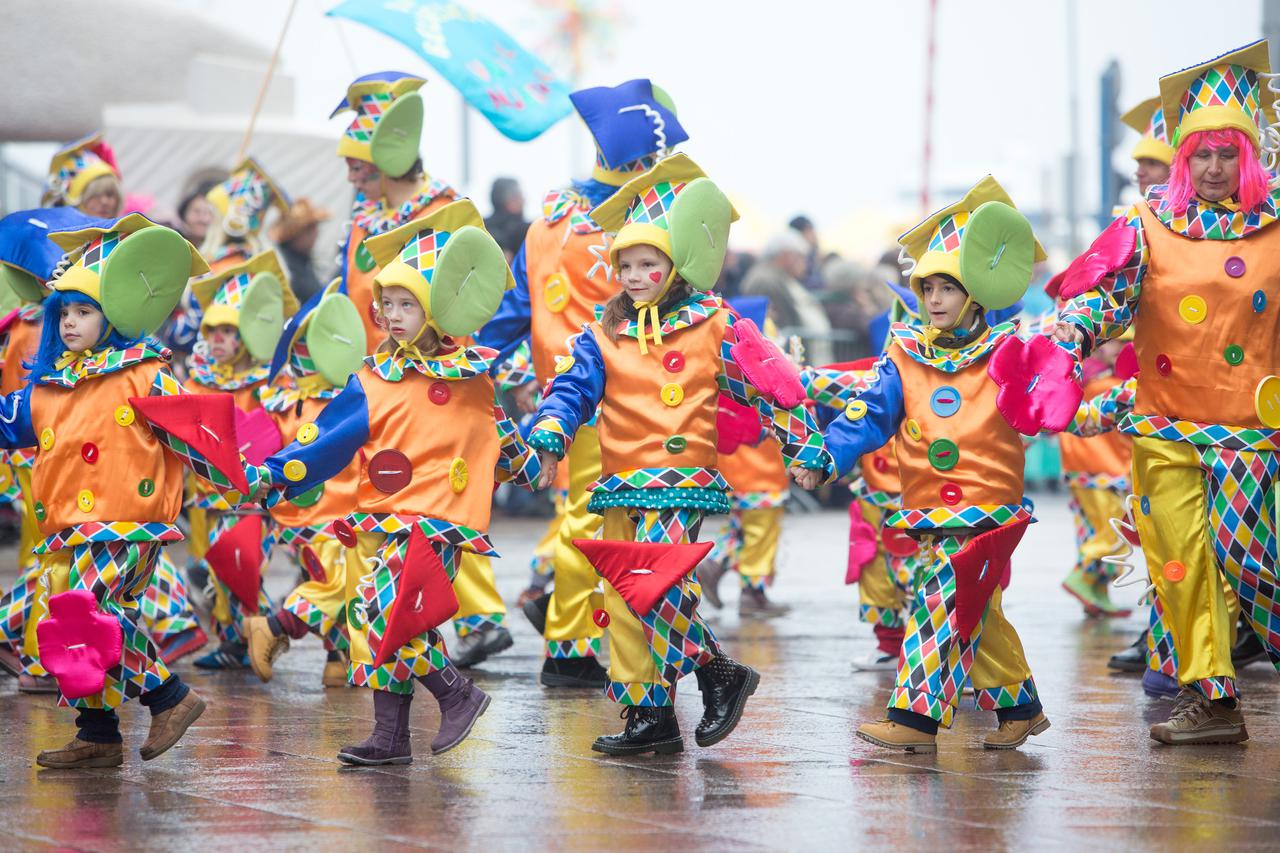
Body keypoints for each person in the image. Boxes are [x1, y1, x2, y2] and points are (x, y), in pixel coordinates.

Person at [528, 154, 833, 755]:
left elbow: (769, 383)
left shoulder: (713, 324)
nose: (636, 275)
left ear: (676, 266)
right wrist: (549, 437)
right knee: (622, 597)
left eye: (650, 263)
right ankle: (650, 715)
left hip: (679, 478)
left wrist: (805, 447)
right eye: (627, 264)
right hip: (619, 481)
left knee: (657, 589)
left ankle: (717, 670)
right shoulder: (602, 333)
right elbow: (570, 390)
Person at [1053, 40, 1280, 745]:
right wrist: (1069, 338)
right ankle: (1212, 699)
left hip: (1247, 426)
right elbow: (1102, 300)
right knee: (1178, 564)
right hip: (1161, 425)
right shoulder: (1145, 224)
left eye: (1227, 154)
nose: (1214, 168)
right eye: (1201, 155)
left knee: (1249, 558)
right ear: (1184, 160)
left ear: (1250, 158)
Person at [259, 199, 539, 765]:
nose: (390, 314)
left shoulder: (470, 374)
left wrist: (531, 464)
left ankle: (456, 695)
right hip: (389, 513)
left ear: (436, 310)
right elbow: (329, 436)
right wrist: (275, 470)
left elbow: (493, 432)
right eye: (385, 303)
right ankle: (391, 737)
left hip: (441, 516)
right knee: (393, 614)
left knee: (383, 610)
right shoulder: (374, 378)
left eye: (405, 303)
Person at [0, 213, 260, 768]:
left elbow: (196, 434)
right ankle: (97, 734)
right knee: (91, 622)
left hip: (128, 521)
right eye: (63, 312)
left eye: (83, 311)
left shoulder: (145, 371)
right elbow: (10, 422)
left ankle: (170, 696)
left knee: (89, 618)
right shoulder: (51, 380)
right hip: (74, 525)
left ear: (114, 312)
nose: (69, 323)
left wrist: (245, 480)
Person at [825, 176, 1051, 753]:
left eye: (948, 288)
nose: (935, 300)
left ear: (975, 291)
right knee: (976, 609)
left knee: (938, 600)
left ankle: (915, 719)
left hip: (987, 502)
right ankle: (1021, 707)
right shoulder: (904, 352)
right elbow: (871, 413)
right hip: (927, 504)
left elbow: (1044, 400)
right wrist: (827, 452)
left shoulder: (1008, 348)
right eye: (927, 289)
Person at [478, 78, 690, 689]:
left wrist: (473, 354)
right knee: (596, 518)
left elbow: (517, 308)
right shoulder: (643, 226)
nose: (655, 169)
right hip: (626, 396)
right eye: (650, 160)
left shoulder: (547, 223)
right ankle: (569, 644)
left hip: (565, 397)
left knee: (592, 517)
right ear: (635, 161)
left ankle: (589, 634)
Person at [244, 280, 367, 687]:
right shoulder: (293, 404)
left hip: (340, 515)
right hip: (321, 519)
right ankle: (276, 625)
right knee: (340, 584)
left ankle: (338, 659)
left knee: (346, 586)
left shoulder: (350, 398)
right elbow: (260, 446)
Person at [184, 251, 298, 669]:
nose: (215, 338)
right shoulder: (197, 381)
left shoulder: (269, 384)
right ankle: (236, 643)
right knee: (221, 571)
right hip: (210, 496)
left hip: (255, 494)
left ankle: (265, 632)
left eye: (227, 330)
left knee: (242, 566)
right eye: (210, 329)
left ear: (248, 333)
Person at [333, 72, 458, 351]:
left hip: (427, 374)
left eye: (356, 168)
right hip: (370, 374)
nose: (351, 179)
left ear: (386, 163)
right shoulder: (363, 220)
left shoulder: (442, 214)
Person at [740, 230, 834, 364]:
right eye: (800, 256)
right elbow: (774, 325)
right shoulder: (765, 280)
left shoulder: (779, 277)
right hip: (783, 361)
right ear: (785, 255)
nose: (805, 264)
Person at [42, 133, 124, 219]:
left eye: (110, 195)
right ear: (74, 199)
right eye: (95, 195)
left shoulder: (126, 231)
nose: (104, 201)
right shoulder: (55, 231)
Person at [269, 199, 332, 302]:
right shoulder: (288, 270)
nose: (316, 233)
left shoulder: (296, 258)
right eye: (313, 228)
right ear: (299, 233)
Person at [484, 177, 529, 262]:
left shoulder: (481, 227)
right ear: (510, 201)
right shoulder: (524, 230)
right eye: (519, 196)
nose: (524, 200)